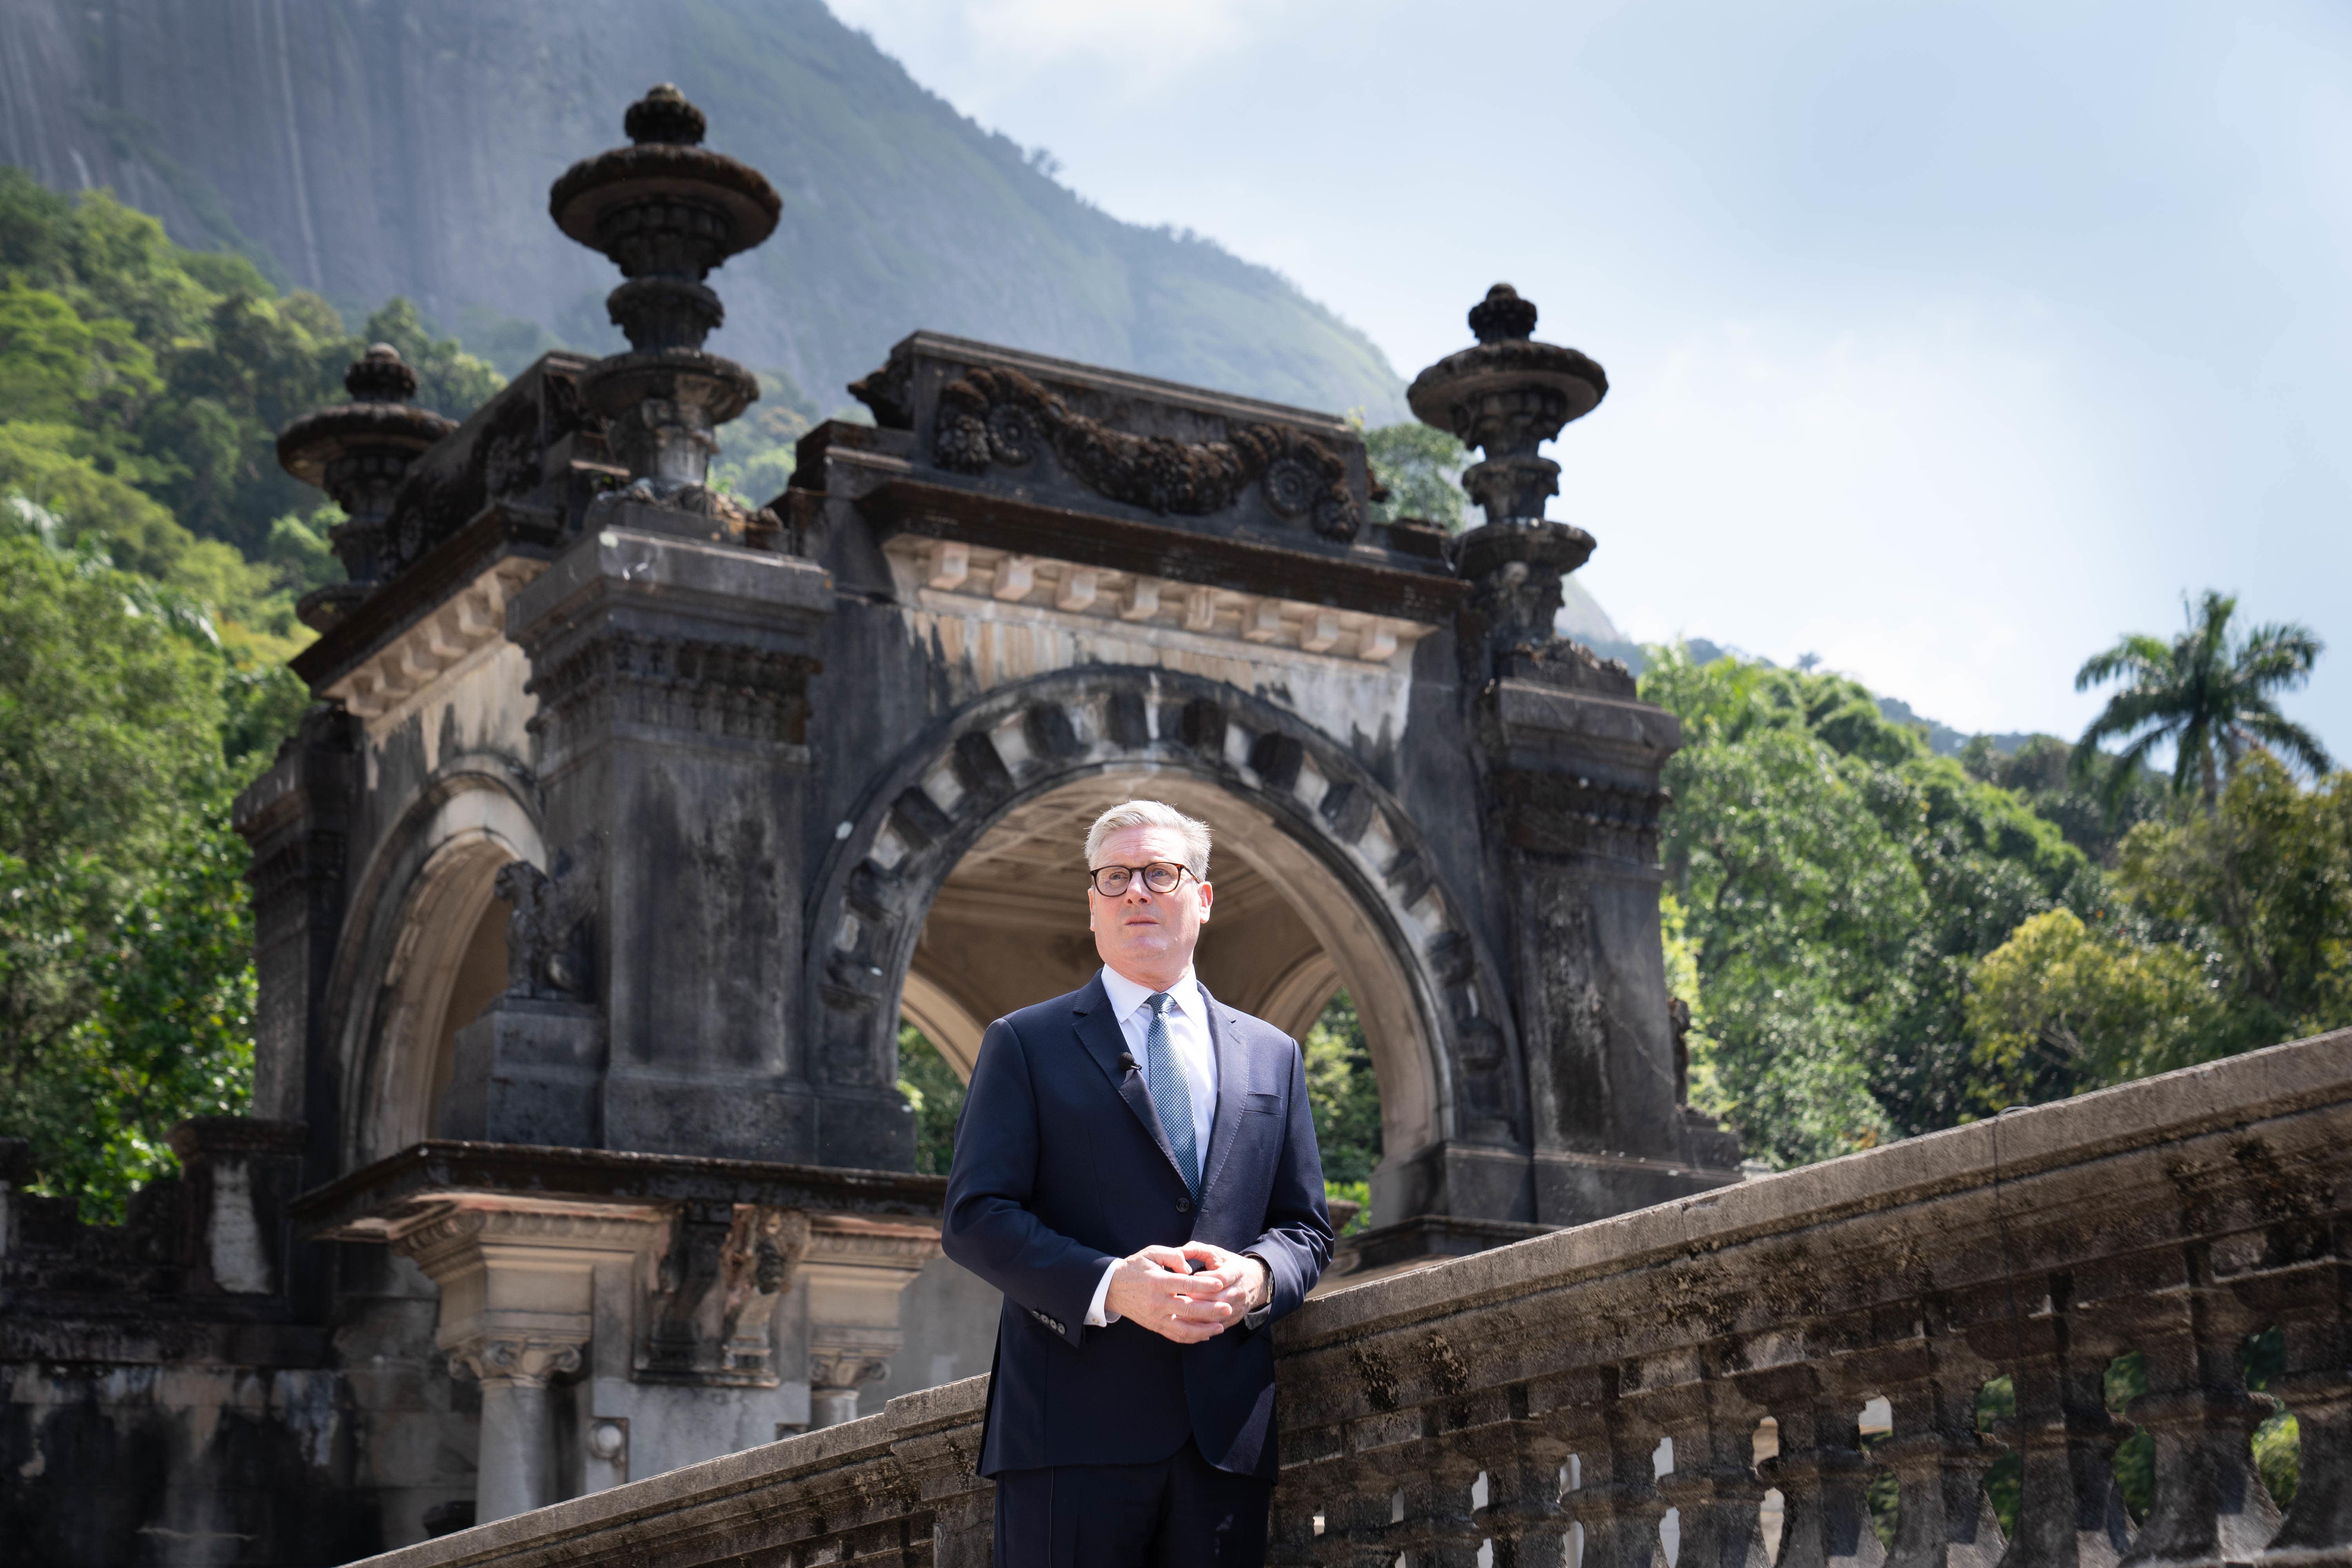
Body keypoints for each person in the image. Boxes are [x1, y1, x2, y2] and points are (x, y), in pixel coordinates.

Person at [941, 799, 1334, 1566]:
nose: (1136, 891)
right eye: (1115, 876)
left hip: (1224, 1437)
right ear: (1093, 904)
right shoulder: (1024, 1042)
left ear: (1203, 897)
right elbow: (975, 1216)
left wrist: (1256, 1276)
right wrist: (1112, 1284)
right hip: (1069, 1435)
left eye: (1161, 871)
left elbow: (1305, 1227)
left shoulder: (1273, 1053)